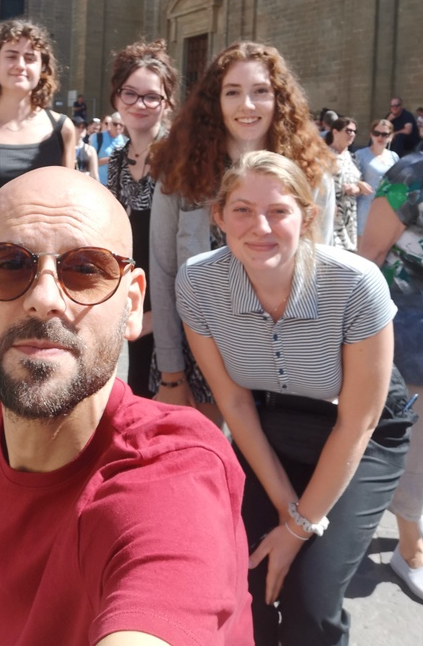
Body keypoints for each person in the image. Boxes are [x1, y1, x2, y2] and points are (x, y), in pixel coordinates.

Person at [0, 166, 253, 646]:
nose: (43, 299)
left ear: (132, 303)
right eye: (7, 264)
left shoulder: (173, 471)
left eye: (85, 269)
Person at [176, 151, 413, 646]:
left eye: (278, 211)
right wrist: (287, 512)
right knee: (248, 586)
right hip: (270, 423)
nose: (260, 226)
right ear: (218, 216)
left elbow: (358, 423)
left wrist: (298, 530)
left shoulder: (353, 285)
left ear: (305, 216)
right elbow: (235, 404)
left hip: (360, 435)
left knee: (311, 604)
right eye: (241, 209)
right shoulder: (199, 283)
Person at [149, 42, 335, 418]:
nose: (246, 105)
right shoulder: (180, 173)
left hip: (285, 359)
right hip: (199, 356)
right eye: (232, 92)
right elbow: (165, 272)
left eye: (260, 92)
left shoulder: (313, 177)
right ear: (214, 101)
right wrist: (171, 373)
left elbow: (320, 273)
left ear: (278, 99)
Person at [360, 95, 423, 606]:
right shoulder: (409, 176)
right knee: (418, 441)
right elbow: (370, 254)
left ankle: (414, 514)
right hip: (413, 334)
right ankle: (408, 549)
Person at [107, 40, 178, 398]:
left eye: (152, 97)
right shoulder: (118, 159)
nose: (139, 105)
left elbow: (195, 251)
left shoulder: (179, 159)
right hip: (137, 304)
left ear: (167, 104)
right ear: (117, 97)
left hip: (175, 312)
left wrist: (158, 316)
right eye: (130, 94)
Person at [0, 20, 75, 195]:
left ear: (42, 67)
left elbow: (69, 195)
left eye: (30, 58)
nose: (20, 65)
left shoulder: (62, 129)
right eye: (11, 56)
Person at [326, 116, 370, 253]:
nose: (352, 134)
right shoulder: (322, 155)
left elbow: (359, 184)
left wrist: (355, 189)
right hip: (330, 215)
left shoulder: (353, 157)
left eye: (354, 132)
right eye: (348, 131)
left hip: (349, 216)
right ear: (335, 132)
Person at [354, 119, 398, 245]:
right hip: (366, 206)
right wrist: (359, 183)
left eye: (385, 134)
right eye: (376, 133)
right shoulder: (360, 155)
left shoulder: (394, 156)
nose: (380, 137)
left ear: (391, 137)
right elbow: (350, 177)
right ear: (371, 134)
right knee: (362, 246)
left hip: (387, 207)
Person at [90, 112, 125, 185]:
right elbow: (90, 162)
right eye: (115, 124)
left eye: (121, 125)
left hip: (117, 186)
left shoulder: (125, 141)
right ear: (110, 124)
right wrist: (112, 158)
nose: (118, 127)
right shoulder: (98, 137)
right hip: (99, 184)